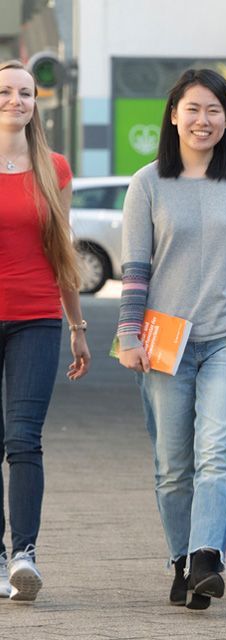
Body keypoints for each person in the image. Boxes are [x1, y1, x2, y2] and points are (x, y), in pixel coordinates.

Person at [117, 68, 226, 610]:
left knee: (217, 452)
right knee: (172, 464)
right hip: (165, 340)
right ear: (173, 115)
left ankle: (208, 556)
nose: (203, 120)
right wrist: (127, 334)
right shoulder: (146, 184)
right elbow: (135, 270)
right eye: (193, 109)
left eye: (215, 110)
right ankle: (182, 559)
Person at [0, 60, 90, 602]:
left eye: (25, 93)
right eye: (5, 92)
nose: (15, 100)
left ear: (37, 103)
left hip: (37, 317)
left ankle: (24, 556)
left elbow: (62, 252)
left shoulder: (53, 167)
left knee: (23, 439)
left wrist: (78, 325)